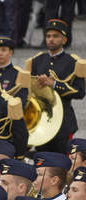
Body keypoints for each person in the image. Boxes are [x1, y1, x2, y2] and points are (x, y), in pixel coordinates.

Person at [25, 19, 86, 154]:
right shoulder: (36, 61)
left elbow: (80, 92)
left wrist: (54, 84)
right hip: (41, 121)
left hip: (64, 123)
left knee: (62, 162)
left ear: (64, 40)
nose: (51, 39)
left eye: (55, 36)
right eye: (48, 36)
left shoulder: (73, 62)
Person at [0, 36, 30, 107]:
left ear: (11, 52)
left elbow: (22, 101)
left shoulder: (19, 74)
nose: (0, 53)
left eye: (4, 50)